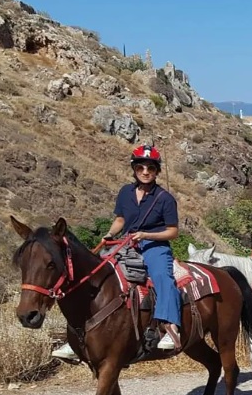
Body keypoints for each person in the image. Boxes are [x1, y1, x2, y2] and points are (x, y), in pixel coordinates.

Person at [52, 144, 181, 360]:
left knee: (162, 277)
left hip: (155, 247)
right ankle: (77, 335)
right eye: (141, 167)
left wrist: (147, 235)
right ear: (134, 169)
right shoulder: (125, 192)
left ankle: (171, 327)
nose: (146, 172)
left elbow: (173, 232)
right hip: (126, 243)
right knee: (95, 274)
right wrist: (110, 234)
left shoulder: (165, 198)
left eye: (150, 168)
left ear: (157, 171)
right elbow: (121, 219)